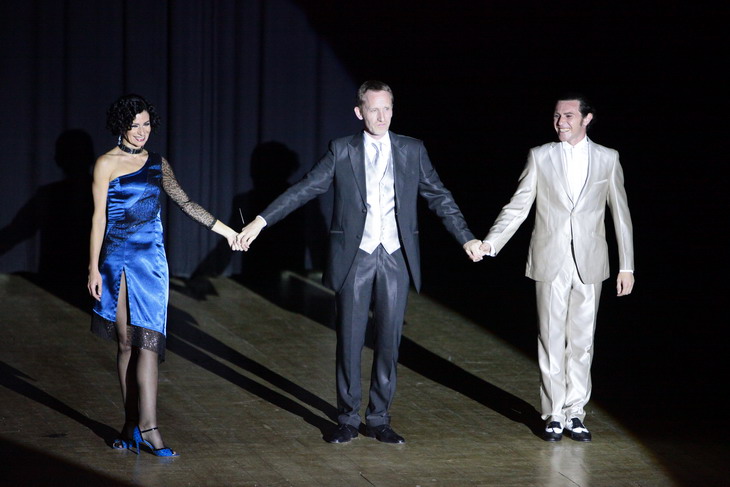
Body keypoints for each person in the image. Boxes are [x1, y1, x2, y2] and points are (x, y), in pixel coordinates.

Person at [237, 80, 484, 444]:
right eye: (373, 109)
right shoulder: (342, 150)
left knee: (389, 342)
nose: (381, 117)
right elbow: (305, 188)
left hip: (395, 256)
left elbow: (439, 196)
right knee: (350, 341)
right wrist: (260, 221)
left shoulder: (412, 149)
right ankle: (348, 417)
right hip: (356, 256)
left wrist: (466, 237)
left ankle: (379, 418)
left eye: (387, 109)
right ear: (359, 112)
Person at [87, 94, 242, 456]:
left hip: (151, 263)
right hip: (117, 261)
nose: (142, 131)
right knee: (126, 343)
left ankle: (150, 426)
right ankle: (130, 425)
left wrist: (228, 233)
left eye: (146, 124)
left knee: (149, 342)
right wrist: (93, 267)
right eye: (134, 125)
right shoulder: (106, 163)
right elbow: (98, 218)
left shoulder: (158, 163)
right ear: (121, 126)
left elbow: (186, 203)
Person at [480, 95, 634, 442]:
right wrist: (491, 242)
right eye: (556, 116)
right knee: (550, 339)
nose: (561, 122)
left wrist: (627, 266)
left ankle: (575, 412)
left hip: (590, 261)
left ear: (587, 119)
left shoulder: (608, 158)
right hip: (550, 259)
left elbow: (621, 215)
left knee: (582, 341)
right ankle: (553, 413)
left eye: (568, 116)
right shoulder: (541, 155)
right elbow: (519, 205)